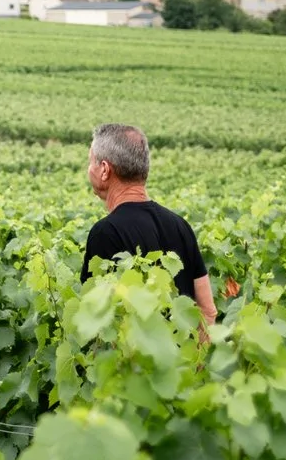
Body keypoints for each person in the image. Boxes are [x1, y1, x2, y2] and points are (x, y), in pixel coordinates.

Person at [81, 123, 217, 333]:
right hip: (182, 364)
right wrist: (193, 365)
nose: (88, 169)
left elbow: (98, 321)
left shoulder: (106, 233)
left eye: (90, 161)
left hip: (134, 365)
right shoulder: (180, 226)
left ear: (105, 170)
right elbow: (207, 311)